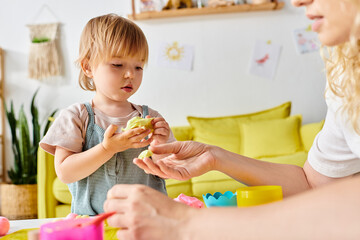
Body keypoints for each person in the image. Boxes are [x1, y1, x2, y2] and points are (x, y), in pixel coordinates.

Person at [104, 0, 360, 238]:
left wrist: (185, 223)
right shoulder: (346, 83)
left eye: (138, 67)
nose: (297, 2)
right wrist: (214, 157)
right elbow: (313, 184)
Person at [40, 14, 175, 216]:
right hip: (93, 223)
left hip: (147, 222)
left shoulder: (151, 118)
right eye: (118, 65)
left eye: (138, 67)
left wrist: (160, 147)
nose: (131, 74)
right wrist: (106, 149)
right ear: (88, 67)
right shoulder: (76, 117)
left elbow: (169, 172)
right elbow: (66, 173)